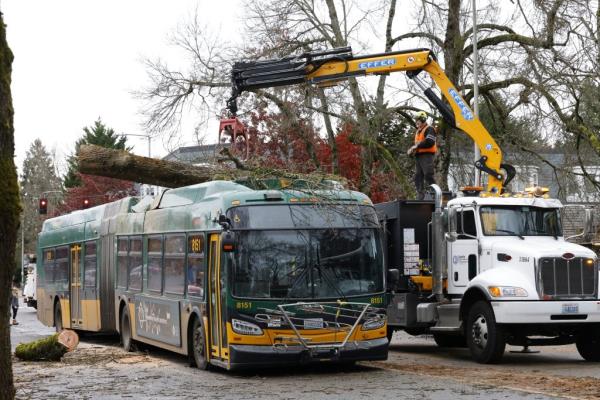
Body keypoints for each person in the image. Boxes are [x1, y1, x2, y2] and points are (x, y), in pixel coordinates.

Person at [407, 111, 437, 200]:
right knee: (418, 176)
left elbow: (430, 142)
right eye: (416, 120)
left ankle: (435, 194)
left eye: (418, 120)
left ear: (423, 120)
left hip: (427, 155)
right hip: (418, 156)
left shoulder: (429, 129)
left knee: (428, 174)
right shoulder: (418, 132)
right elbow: (418, 145)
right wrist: (412, 151)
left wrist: (416, 146)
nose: (416, 122)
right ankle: (420, 196)